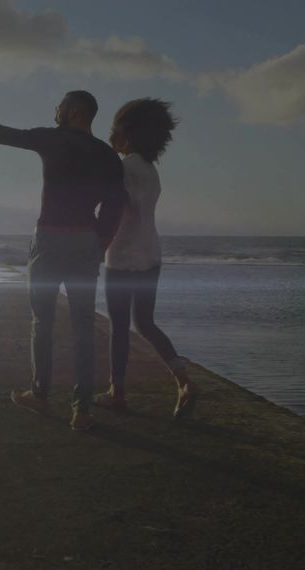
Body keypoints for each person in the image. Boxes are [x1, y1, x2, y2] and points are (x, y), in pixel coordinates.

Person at [0, 91, 127, 431]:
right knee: (84, 328)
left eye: (59, 107)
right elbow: (115, 205)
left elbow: (3, 134)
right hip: (85, 238)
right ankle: (81, 411)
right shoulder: (107, 155)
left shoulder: (54, 139)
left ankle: (40, 395)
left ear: (71, 111)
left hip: (51, 237)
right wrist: (100, 242)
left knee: (43, 322)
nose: (56, 111)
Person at [94, 98, 197, 419]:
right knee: (146, 323)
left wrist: (96, 246)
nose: (110, 136)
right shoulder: (151, 171)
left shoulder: (122, 168)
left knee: (120, 327)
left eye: (114, 130)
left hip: (122, 255)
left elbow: (112, 210)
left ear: (125, 135)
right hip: (151, 253)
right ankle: (182, 379)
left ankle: (117, 392)